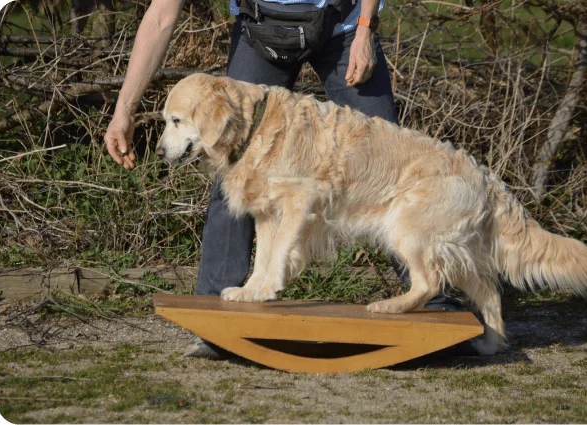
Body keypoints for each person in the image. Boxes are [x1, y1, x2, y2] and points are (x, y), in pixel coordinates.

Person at [105, 0, 469, 359]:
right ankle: (214, 316)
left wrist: (365, 30)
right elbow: (160, 17)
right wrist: (124, 109)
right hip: (260, 29)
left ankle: (436, 305)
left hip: (342, 26)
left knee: (391, 156)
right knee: (230, 170)